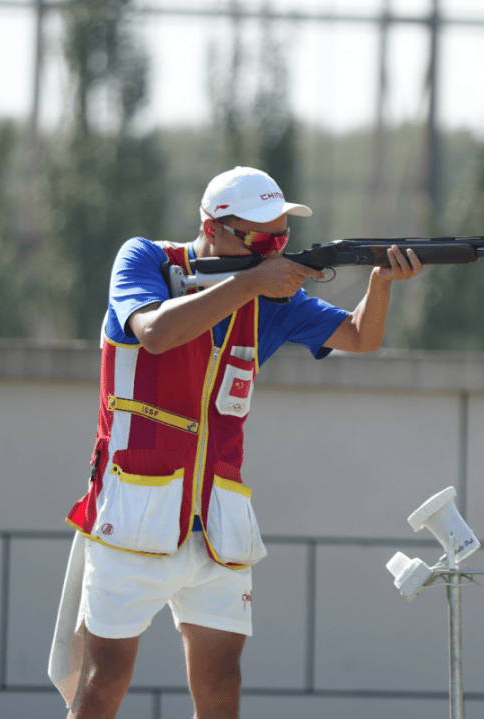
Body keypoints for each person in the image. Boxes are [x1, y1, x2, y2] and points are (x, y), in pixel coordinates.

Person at [50, 166, 423, 719]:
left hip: (217, 522)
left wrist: (381, 284)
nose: (277, 251)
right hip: (133, 511)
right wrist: (251, 282)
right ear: (213, 228)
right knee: (104, 684)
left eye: (282, 239)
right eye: (263, 239)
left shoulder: (272, 299)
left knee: (223, 685)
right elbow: (155, 334)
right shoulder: (146, 259)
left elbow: (360, 337)